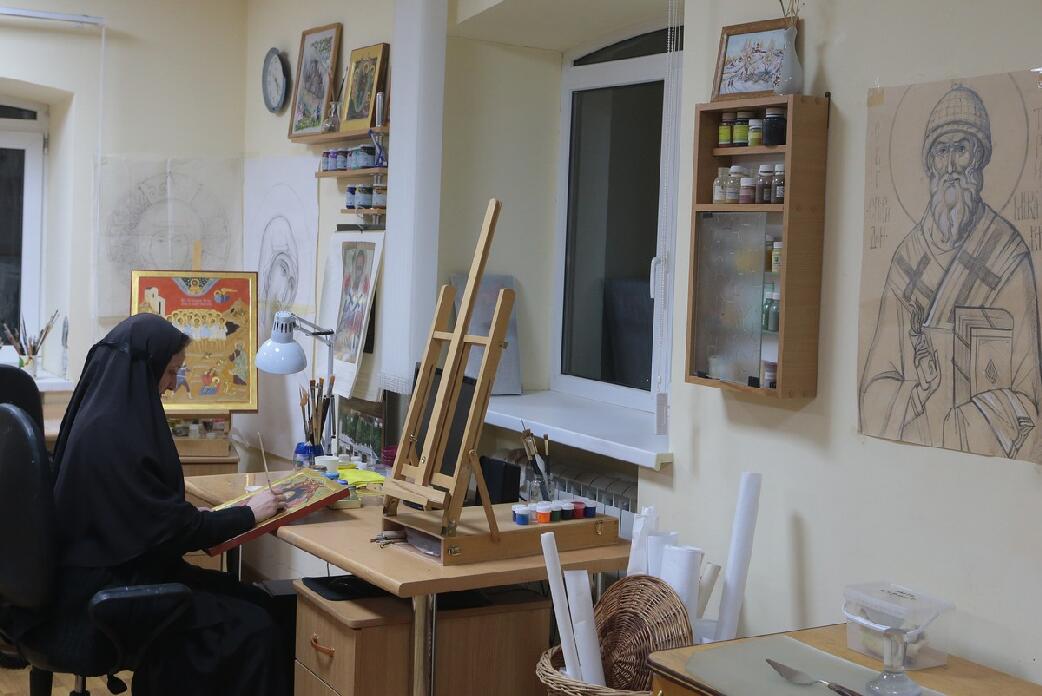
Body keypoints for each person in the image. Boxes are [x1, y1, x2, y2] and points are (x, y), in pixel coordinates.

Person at [32, 313, 290, 695]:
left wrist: (189, 516)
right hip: (106, 596)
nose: (171, 385)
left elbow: (146, 515)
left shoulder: (105, 419)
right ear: (144, 368)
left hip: (119, 576)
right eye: (170, 372)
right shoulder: (113, 432)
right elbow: (170, 529)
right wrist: (249, 513)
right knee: (256, 627)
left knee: (260, 601)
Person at [860, 85, 1042, 459]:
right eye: (941, 151)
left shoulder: (1008, 256)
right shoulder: (907, 260)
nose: (951, 166)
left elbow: (1028, 396)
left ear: (979, 158)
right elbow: (875, 386)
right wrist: (917, 392)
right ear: (930, 164)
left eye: (961, 149)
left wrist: (956, 424)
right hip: (908, 459)